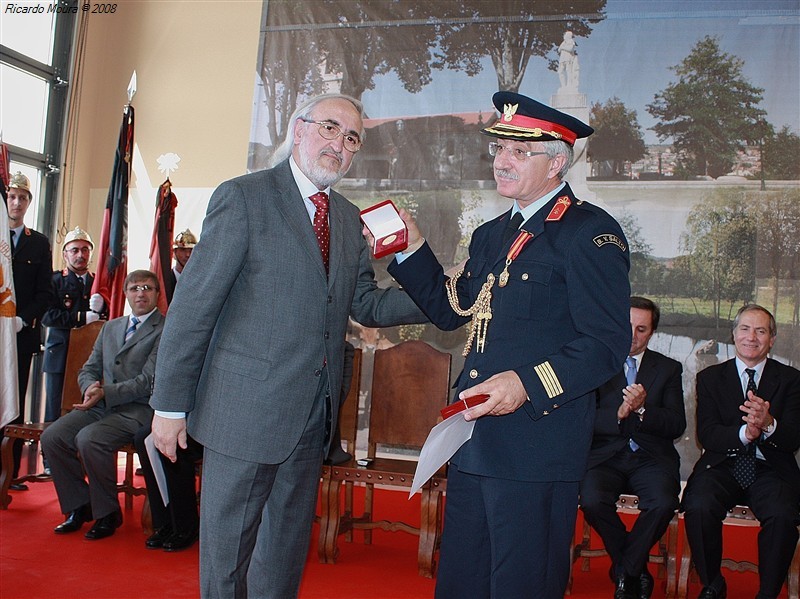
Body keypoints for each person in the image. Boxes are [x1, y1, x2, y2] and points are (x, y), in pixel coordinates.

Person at [149, 93, 426, 598]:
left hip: (310, 421)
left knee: (281, 559)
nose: (338, 144)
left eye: (351, 138)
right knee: (227, 561)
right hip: (243, 417)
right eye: (329, 128)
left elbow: (364, 303)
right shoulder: (243, 198)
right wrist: (169, 406)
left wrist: (441, 295)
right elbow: (193, 310)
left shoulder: (345, 219)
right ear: (298, 130)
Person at [383, 91, 631, 598]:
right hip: (475, 442)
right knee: (462, 581)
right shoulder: (493, 233)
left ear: (557, 163)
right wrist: (412, 249)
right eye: (499, 149)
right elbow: (456, 310)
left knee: (522, 585)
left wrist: (525, 383)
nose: (502, 160)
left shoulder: (589, 233)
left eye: (520, 152)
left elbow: (607, 344)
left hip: (536, 447)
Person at [681, 304, 800, 599]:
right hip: (723, 464)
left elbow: (794, 438)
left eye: (761, 331)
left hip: (771, 468)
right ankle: (712, 584)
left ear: (772, 339)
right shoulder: (710, 378)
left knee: (783, 515)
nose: (752, 337)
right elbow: (707, 435)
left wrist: (769, 423)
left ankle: (767, 593)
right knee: (698, 506)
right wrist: (746, 433)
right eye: (745, 329)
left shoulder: (792, 379)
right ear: (734, 335)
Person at [40, 270, 164, 540]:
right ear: (126, 294)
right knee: (53, 437)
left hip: (138, 409)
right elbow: (88, 369)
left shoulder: (165, 330)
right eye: (134, 288)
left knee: (89, 438)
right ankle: (79, 505)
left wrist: (104, 392)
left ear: (157, 294)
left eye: (147, 288)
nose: (140, 293)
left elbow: (148, 382)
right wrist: (90, 387)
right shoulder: (111, 327)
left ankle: (108, 513)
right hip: (99, 404)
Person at [579, 296, 686, 599]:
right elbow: (582, 419)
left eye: (642, 329)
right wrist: (618, 414)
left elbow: (677, 424)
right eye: (627, 326)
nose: (632, 336)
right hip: (604, 456)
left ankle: (625, 570)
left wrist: (642, 410)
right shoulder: (594, 363)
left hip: (650, 457)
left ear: (652, 333)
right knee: (591, 500)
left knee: (664, 502)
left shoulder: (668, 369)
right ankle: (633, 568)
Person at [134, 239, 202, 552]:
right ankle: (165, 522)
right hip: (187, 405)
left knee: (179, 446)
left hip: (212, 413)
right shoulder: (186, 311)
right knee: (144, 438)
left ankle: (186, 526)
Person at [4, 171, 54, 491]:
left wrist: (23, 319)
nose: (17, 202)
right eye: (12, 196)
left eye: (23, 198)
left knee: (15, 402)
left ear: (29, 203)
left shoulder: (39, 243)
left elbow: (45, 293)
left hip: (21, 335)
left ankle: (8, 475)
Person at [42, 227, 106, 424]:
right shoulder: (54, 281)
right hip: (60, 355)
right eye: (75, 250)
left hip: (90, 356)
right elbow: (47, 316)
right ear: (65, 254)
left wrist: (104, 308)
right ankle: (50, 455)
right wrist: (81, 318)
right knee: (55, 413)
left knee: (88, 413)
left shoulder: (98, 283)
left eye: (85, 249)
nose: (80, 255)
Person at [166, 228, 196, 304]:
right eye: (183, 250)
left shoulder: (201, 279)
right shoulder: (164, 280)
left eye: (191, 250)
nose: (188, 255)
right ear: (174, 253)